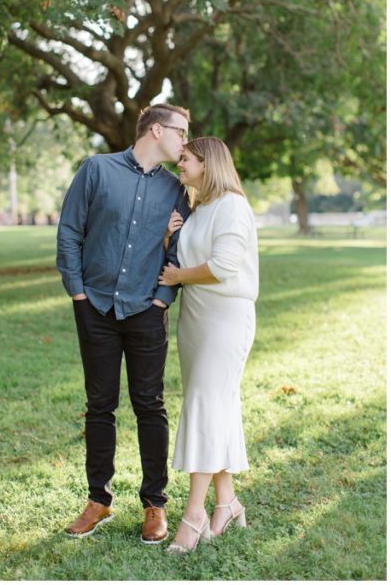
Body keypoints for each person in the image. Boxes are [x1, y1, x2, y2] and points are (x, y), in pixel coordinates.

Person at [57, 103, 192, 544]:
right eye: (181, 132)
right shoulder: (96, 170)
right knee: (100, 405)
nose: (185, 142)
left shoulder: (177, 189)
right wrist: (77, 291)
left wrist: (161, 298)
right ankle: (99, 500)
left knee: (149, 405)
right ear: (156, 130)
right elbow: (70, 231)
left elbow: (179, 251)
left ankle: (154, 504)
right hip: (94, 305)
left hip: (146, 310)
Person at [158, 137, 258, 553]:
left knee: (202, 402)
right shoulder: (197, 208)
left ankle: (194, 512)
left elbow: (223, 266)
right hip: (195, 320)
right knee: (218, 407)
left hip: (225, 319)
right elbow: (178, 263)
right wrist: (168, 239)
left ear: (208, 162)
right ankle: (228, 502)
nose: (178, 164)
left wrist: (179, 277)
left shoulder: (233, 205)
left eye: (185, 158)